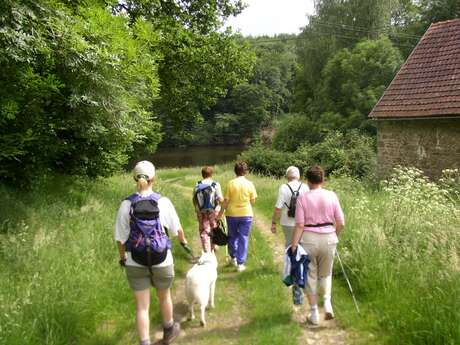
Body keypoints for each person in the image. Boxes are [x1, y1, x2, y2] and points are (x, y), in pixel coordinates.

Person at [114, 161, 188, 345]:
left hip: (134, 259)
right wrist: (183, 241)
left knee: (142, 307)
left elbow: (120, 238)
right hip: (161, 258)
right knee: (164, 297)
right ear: (154, 178)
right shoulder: (163, 202)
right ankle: (169, 330)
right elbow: (177, 229)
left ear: (134, 178)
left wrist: (123, 257)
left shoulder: (126, 204)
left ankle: (145, 342)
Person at [290, 165, 345, 326]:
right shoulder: (332, 195)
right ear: (323, 179)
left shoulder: (303, 198)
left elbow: (300, 224)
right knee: (326, 274)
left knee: (310, 277)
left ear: (307, 181)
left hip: (309, 239)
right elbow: (341, 222)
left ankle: (314, 313)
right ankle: (327, 303)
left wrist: (294, 245)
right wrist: (335, 235)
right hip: (329, 238)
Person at [217, 161, 257, 272]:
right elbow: (253, 201)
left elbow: (225, 201)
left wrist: (220, 214)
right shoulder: (250, 184)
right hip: (246, 214)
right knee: (243, 237)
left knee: (232, 236)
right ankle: (240, 263)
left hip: (232, 214)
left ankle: (233, 257)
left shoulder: (230, 183)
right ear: (246, 171)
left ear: (235, 171)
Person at [271, 166, 309, 247]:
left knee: (289, 245)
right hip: (302, 222)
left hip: (287, 222)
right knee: (301, 246)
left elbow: (278, 208)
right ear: (298, 176)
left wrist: (274, 223)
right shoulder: (305, 187)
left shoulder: (283, 187)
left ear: (287, 176)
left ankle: (289, 259)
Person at [192, 166, 224, 252]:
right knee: (214, 227)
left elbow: (194, 199)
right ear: (211, 174)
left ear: (202, 175)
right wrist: (224, 206)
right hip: (213, 210)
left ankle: (207, 250)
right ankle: (213, 247)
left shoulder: (198, 184)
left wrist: (196, 209)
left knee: (203, 229)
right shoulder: (216, 184)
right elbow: (220, 199)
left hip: (201, 211)